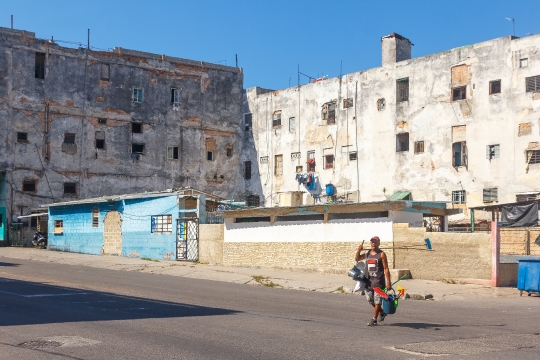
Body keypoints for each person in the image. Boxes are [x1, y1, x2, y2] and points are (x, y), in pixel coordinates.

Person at [355, 236, 392, 326]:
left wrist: (388, 282)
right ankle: (382, 312)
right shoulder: (367, 254)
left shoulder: (382, 254)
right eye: (372, 242)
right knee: (370, 300)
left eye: (375, 242)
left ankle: (374, 319)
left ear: (379, 243)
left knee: (377, 301)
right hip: (368, 282)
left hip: (379, 282)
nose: (373, 243)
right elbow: (357, 259)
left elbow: (386, 268)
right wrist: (359, 250)